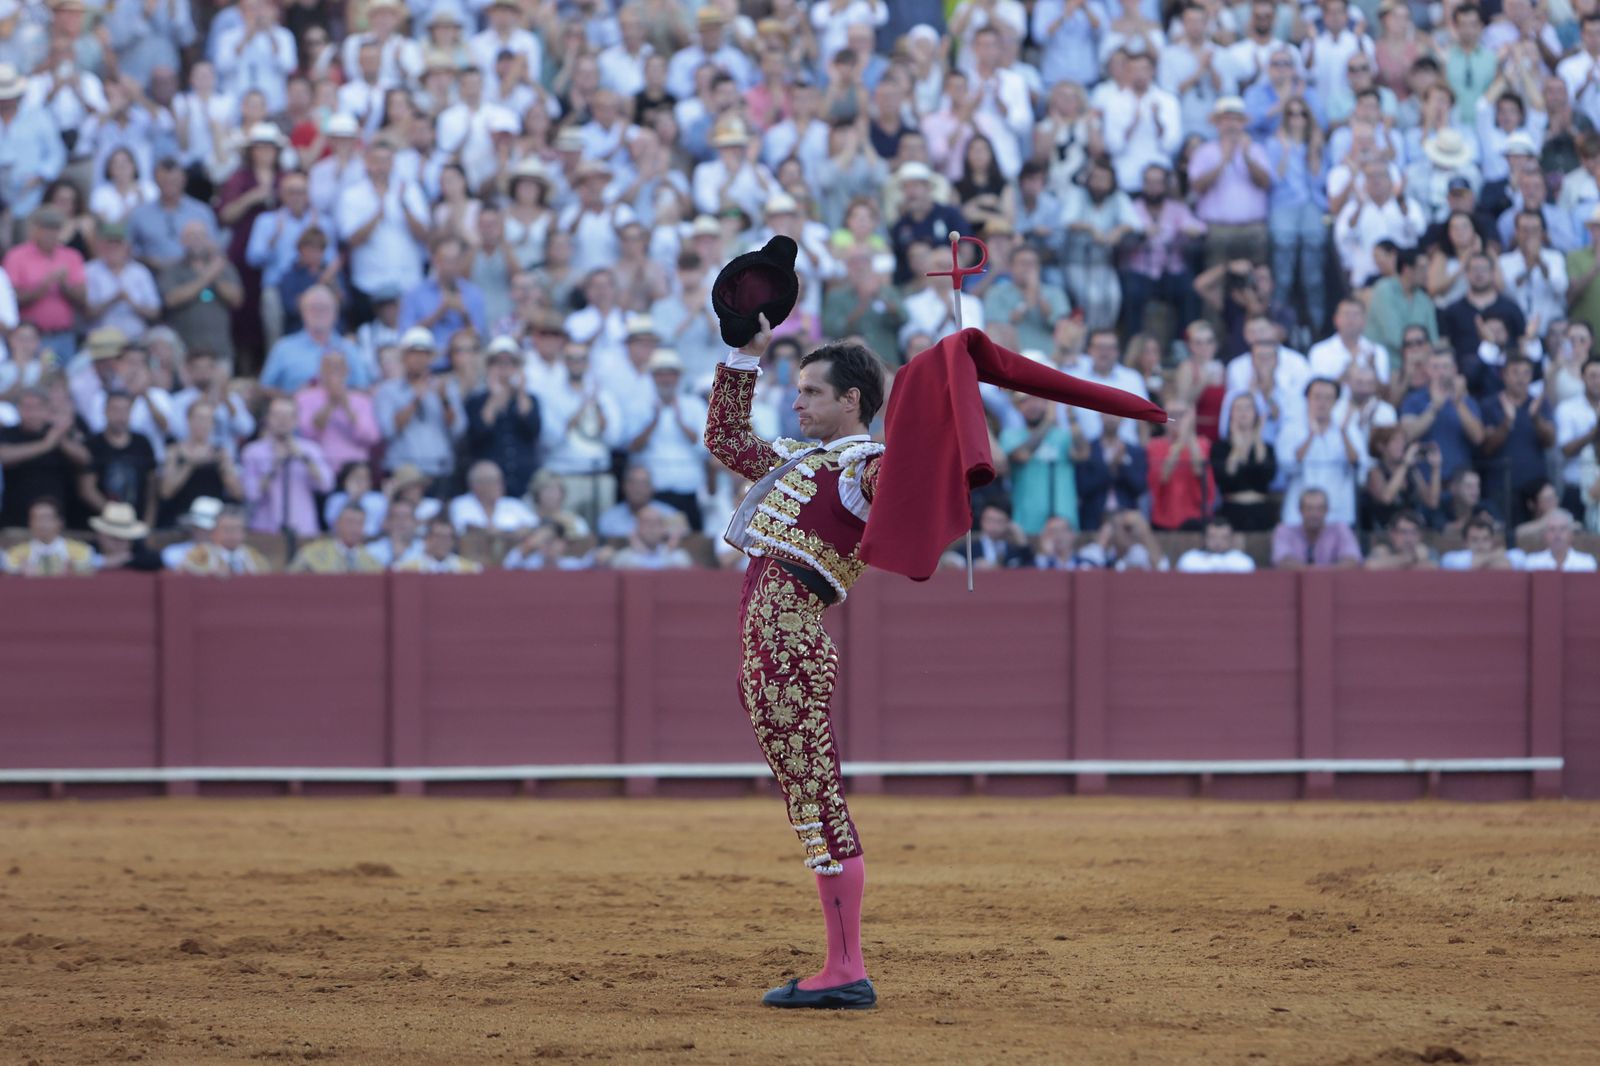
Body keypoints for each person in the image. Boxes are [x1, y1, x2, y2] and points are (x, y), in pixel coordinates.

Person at [703, 311, 885, 1010]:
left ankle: (846, 969)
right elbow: (725, 436)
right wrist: (744, 354)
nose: (797, 401)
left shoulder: (863, 469)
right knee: (810, 799)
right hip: (768, 656)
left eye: (812, 392)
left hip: (790, 654)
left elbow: (901, 482)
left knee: (817, 800)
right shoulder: (798, 461)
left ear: (851, 401)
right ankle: (843, 965)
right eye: (797, 389)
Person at [240, 396, 333, 536]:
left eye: (288, 416)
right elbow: (251, 494)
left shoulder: (311, 450)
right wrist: (274, 465)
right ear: (268, 419)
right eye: (277, 415)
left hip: (303, 526)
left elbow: (326, 485)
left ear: (296, 420)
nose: (282, 421)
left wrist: (303, 459)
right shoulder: (253, 451)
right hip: (265, 528)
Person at [0, 388, 89, 529]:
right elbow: (4, 456)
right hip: (16, 517)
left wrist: (61, 439)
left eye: (37, 407)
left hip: (57, 518)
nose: (31, 413)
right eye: (26, 407)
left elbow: (85, 459)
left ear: (47, 410)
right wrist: (45, 445)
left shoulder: (58, 433)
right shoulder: (8, 433)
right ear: (18, 409)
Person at [1211, 392, 1278, 532]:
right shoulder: (1220, 447)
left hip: (1261, 511)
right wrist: (1237, 448)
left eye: (1248, 408)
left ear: (1256, 414)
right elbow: (1225, 477)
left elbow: (1267, 475)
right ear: (1231, 414)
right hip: (1232, 512)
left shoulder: (1268, 448)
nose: (1243, 413)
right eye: (1238, 408)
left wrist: (1257, 438)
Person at [1271, 486, 1363, 568]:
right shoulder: (1284, 531)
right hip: (1295, 582)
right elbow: (1282, 561)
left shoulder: (1340, 529)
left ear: (1327, 510)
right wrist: (1316, 574)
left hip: (1334, 582)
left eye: (1319, 508)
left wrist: (1319, 575)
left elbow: (1352, 559)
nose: (1314, 514)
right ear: (1300, 510)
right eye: (1309, 508)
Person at [3, 498, 96, 575]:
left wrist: (75, 572)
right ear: (30, 523)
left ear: (60, 522)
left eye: (47, 518)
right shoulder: (15, 554)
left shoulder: (81, 551)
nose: (42, 524)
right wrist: (19, 573)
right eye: (37, 518)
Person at [174, 504, 273, 576]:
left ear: (244, 533)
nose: (232, 534)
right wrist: (209, 572)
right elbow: (181, 572)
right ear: (214, 533)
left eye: (236, 529)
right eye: (226, 529)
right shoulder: (201, 554)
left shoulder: (255, 558)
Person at [288, 503, 385, 573]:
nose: (355, 528)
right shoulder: (313, 554)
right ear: (337, 524)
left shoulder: (372, 563)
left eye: (359, 523)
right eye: (350, 522)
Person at [88, 501, 163, 572]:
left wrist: (127, 558)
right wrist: (104, 561)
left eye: (126, 538)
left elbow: (156, 559)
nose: (120, 543)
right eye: (115, 538)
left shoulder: (137, 551)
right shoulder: (89, 549)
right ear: (100, 535)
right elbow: (83, 560)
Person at [393, 515, 484, 573]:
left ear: (453, 542)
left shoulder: (469, 570)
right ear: (427, 539)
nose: (442, 542)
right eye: (438, 537)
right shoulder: (407, 569)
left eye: (447, 538)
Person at [1522, 508, 1598, 571]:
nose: (1557, 534)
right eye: (1552, 529)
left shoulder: (1586, 563)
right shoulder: (1533, 563)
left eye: (1562, 529)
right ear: (1545, 535)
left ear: (1571, 535)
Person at [1176, 515, 1257, 573]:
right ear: (1204, 538)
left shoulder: (1242, 561)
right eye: (1213, 537)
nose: (1218, 542)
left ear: (1231, 539)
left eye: (1224, 537)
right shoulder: (1190, 559)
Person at [1365, 510, 1437, 569]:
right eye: (1403, 532)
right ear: (1392, 533)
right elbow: (1369, 566)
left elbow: (1436, 568)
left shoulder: (1427, 551)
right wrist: (1408, 558)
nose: (1409, 539)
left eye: (1414, 533)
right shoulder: (1382, 550)